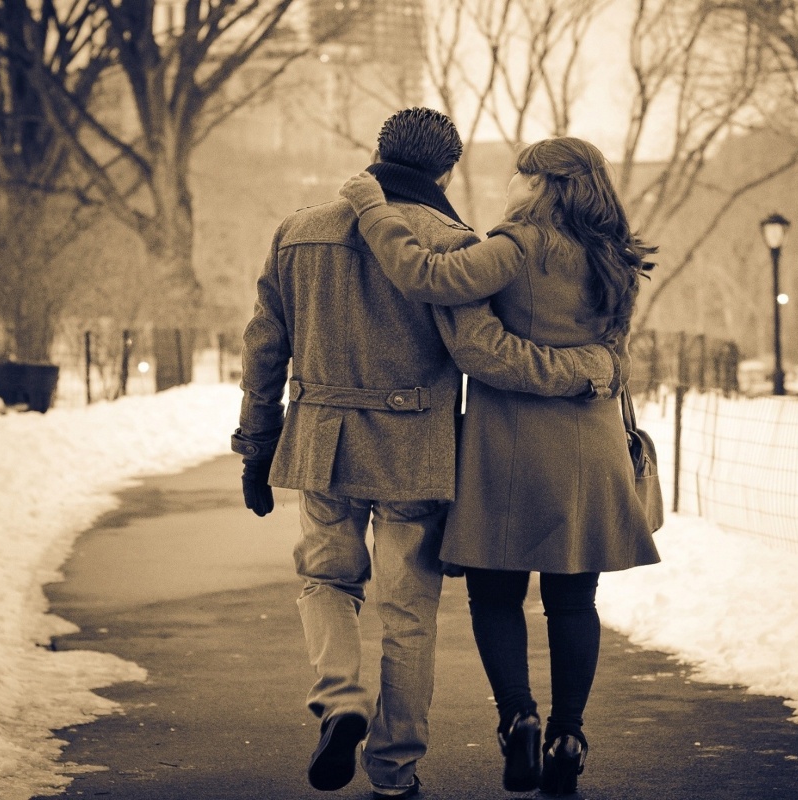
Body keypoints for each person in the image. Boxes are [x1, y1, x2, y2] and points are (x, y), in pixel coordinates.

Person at [233, 109, 621, 800]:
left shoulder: (297, 232)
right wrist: (591, 367)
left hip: (322, 437)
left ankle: (341, 699)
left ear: (379, 152)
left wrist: (257, 443)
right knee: (409, 614)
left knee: (325, 579)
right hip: (415, 445)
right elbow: (477, 351)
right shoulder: (454, 241)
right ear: (444, 172)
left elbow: (264, 345)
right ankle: (394, 771)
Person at [340, 136, 661, 795]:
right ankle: (568, 733)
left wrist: (373, 207)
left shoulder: (517, 246)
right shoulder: (614, 254)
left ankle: (519, 719)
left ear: (542, 183)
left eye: (522, 173)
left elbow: (426, 277)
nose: (513, 182)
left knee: (496, 595)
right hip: (591, 448)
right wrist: (589, 371)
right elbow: (611, 355)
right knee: (575, 598)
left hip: (511, 448)